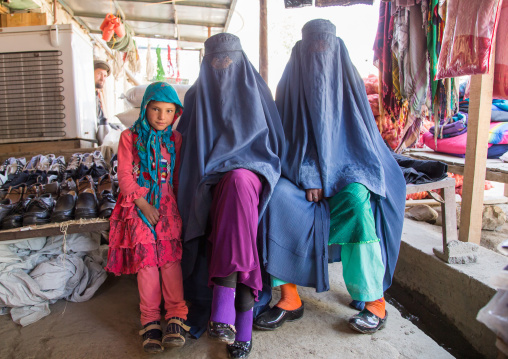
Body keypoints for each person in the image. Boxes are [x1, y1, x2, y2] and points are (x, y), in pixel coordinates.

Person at [253, 19, 406, 334]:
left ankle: (374, 300)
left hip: (347, 173)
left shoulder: (348, 86)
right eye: (312, 49)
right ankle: (290, 298)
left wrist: (334, 175)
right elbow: (285, 141)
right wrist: (307, 173)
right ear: (300, 52)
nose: (318, 57)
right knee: (276, 197)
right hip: (298, 178)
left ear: (337, 52)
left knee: (358, 199)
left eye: (325, 48)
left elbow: (360, 144)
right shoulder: (291, 84)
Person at [177, 33, 284, 359]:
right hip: (209, 177)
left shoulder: (256, 88)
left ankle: (224, 304)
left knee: (238, 184)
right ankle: (243, 320)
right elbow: (186, 150)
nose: (223, 65)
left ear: (240, 57)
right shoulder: (196, 95)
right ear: (206, 62)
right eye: (216, 59)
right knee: (232, 200)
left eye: (229, 58)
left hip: (251, 172)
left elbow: (275, 142)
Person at [105, 82, 189, 353]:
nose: (162, 116)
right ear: (145, 108)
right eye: (155, 109)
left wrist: (175, 209)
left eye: (168, 111)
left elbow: (176, 179)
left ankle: (176, 315)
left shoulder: (176, 140)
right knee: (147, 262)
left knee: (170, 260)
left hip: (167, 206)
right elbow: (125, 177)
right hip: (137, 204)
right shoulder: (129, 137)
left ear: (176, 113)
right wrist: (144, 205)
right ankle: (150, 319)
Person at [94, 59, 119, 144]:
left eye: (105, 76)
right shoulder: (86, 95)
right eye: (99, 74)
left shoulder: (96, 96)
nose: (102, 79)